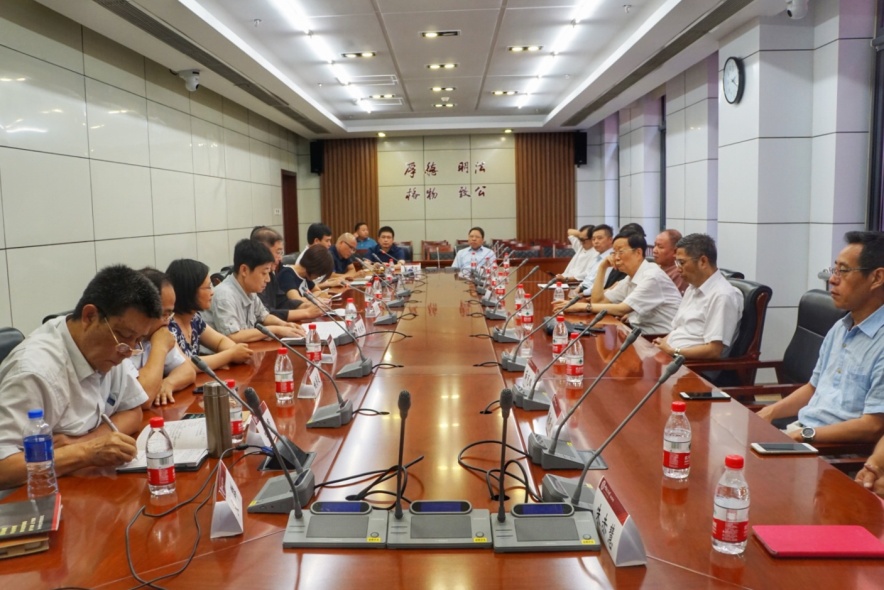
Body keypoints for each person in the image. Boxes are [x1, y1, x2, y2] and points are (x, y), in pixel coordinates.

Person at [0, 265, 161, 489]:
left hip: (85, 485)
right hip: (33, 497)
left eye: (138, 340)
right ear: (90, 316)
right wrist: (84, 452)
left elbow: (133, 411)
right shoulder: (34, 372)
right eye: (125, 336)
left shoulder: (112, 349)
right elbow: (4, 468)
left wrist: (86, 442)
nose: (128, 351)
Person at [757, 231, 884, 445]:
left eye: (844, 271)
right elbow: (813, 388)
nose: (833, 280)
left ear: (877, 278)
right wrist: (768, 412)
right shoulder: (840, 327)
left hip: (833, 451)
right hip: (803, 432)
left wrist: (803, 435)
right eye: (834, 270)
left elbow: (873, 426)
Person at [556, 231, 682, 335]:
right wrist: (602, 267)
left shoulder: (652, 276)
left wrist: (581, 306)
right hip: (640, 334)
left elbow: (622, 309)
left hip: (660, 339)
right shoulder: (630, 278)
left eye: (620, 252)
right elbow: (598, 301)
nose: (616, 258)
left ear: (638, 253)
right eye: (614, 252)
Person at [652, 234, 743, 359]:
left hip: (691, 365)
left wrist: (673, 351)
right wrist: (661, 344)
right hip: (670, 356)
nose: (678, 269)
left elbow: (714, 351)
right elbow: (678, 329)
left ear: (703, 261)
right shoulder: (692, 288)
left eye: (681, 263)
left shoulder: (722, 295)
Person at [203, 239, 307, 343]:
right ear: (244, 270)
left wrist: (284, 325)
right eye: (264, 273)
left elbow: (264, 316)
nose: (268, 279)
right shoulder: (224, 296)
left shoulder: (249, 290)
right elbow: (233, 336)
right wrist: (275, 330)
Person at [165, 258, 255, 371]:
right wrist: (230, 355)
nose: (212, 292)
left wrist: (236, 351)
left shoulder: (194, 319)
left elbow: (220, 341)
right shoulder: (168, 326)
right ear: (189, 290)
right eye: (208, 287)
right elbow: (185, 365)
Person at [129, 268, 196, 407]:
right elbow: (143, 398)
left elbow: (188, 371)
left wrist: (169, 383)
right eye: (164, 314)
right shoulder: (121, 342)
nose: (168, 321)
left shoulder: (155, 334)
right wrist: (160, 347)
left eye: (170, 314)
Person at [251, 226, 323, 321]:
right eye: (278, 252)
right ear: (263, 251)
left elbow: (282, 302)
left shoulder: (271, 274)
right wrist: (306, 313)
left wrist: (305, 305)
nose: (281, 258)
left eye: (281, 253)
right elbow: (266, 313)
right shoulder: (253, 278)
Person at [576, 224, 616, 293]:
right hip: (583, 291)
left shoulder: (611, 258)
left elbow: (603, 284)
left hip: (593, 294)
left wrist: (583, 293)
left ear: (610, 240)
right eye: (593, 239)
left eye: (599, 238)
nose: (596, 242)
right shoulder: (597, 257)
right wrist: (579, 288)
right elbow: (587, 278)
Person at [653, 229, 688, 294]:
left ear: (675, 251)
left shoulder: (679, 273)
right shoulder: (654, 268)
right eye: (655, 245)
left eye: (660, 247)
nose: (654, 250)